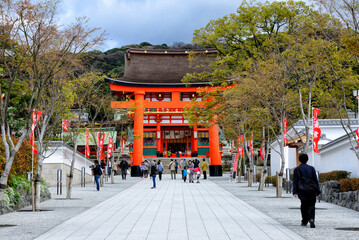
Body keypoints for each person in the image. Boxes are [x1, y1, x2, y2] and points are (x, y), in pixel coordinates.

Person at [293, 153, 321, 228]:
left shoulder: (297, 169)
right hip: (311, 190)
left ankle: (304, 220)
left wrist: (294, 192)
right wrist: (318, 191)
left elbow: (295, 181)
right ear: (307, 159)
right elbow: (315, 180)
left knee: (303, 205)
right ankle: (311, 219)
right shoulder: (311, 168)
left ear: (299, 160)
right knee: (312, 205)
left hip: (302, 190)